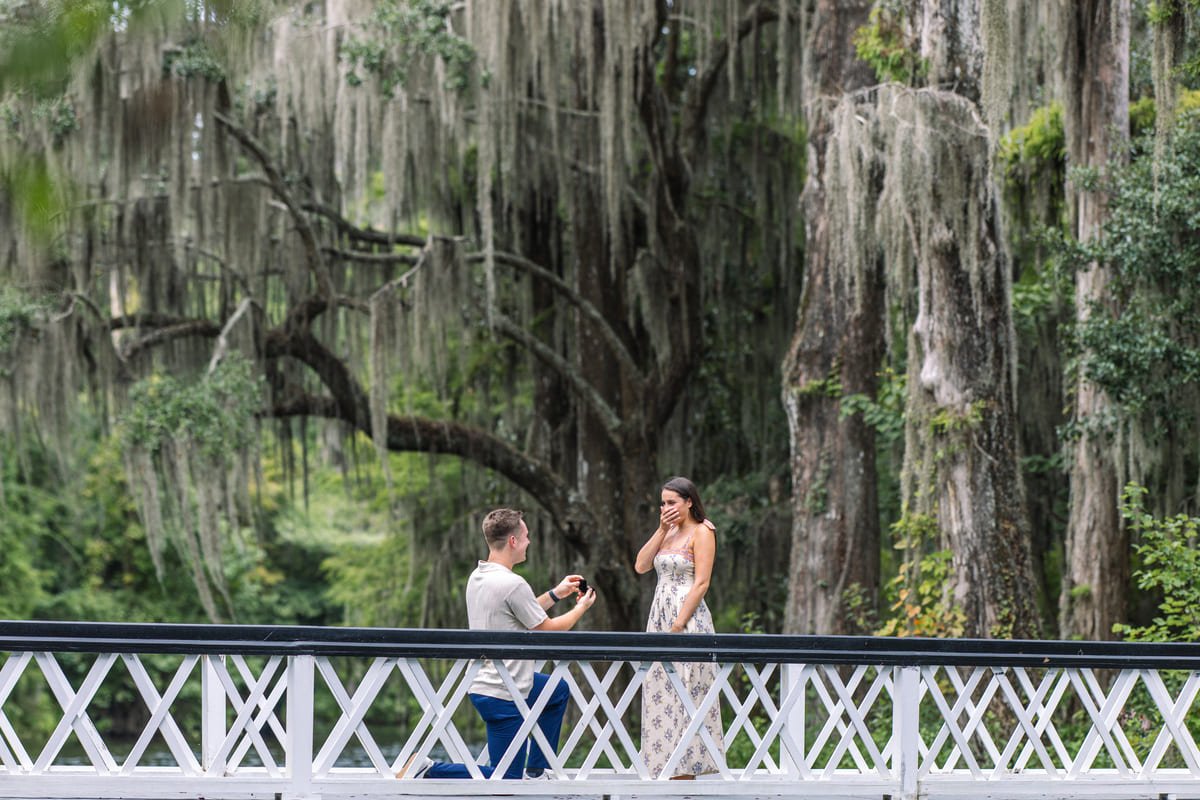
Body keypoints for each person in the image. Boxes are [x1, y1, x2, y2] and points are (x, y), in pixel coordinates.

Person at [398, 508, 597, 780]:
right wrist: (581, 608)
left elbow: (521, 614)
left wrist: (556, 594)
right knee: (505, 779)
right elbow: (547, 629)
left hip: (490, 681)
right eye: (526, 536)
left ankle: (539, 771)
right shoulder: (513, 583)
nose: (529, 541)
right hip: (503, 691)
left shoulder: (479, 576)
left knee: (556, 690)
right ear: (513, 541)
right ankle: (428, 770)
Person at [634, 476, 726, 779]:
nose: (666, 508)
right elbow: (641, 565)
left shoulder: (703, 531)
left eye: (672, 502)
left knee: (687, 689)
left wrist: (678, 624)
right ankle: (663, 767)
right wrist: (661, 529)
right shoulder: (668, 531)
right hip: (658, 613)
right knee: (660, 687)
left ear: (689, 502)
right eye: (663, 503)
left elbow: (701, 583)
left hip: (686, 616)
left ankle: (687, 772)